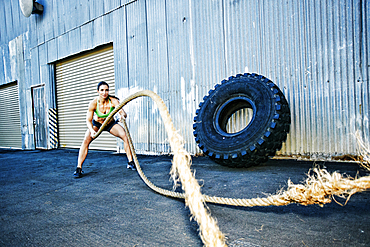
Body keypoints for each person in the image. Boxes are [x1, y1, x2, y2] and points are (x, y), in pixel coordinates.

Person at [73, 81, 136, 178]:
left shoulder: (113, 101)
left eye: (106, 90)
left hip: (110, 124)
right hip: (97, 124)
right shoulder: (93, 103)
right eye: (102, 90)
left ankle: (130, 162)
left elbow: (123, 113)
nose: (104, 92)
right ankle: (79, 168)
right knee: (86, 140)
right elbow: (88, 120)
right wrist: (92, 130)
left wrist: (122, 116)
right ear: (98, 91)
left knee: (125, 135)